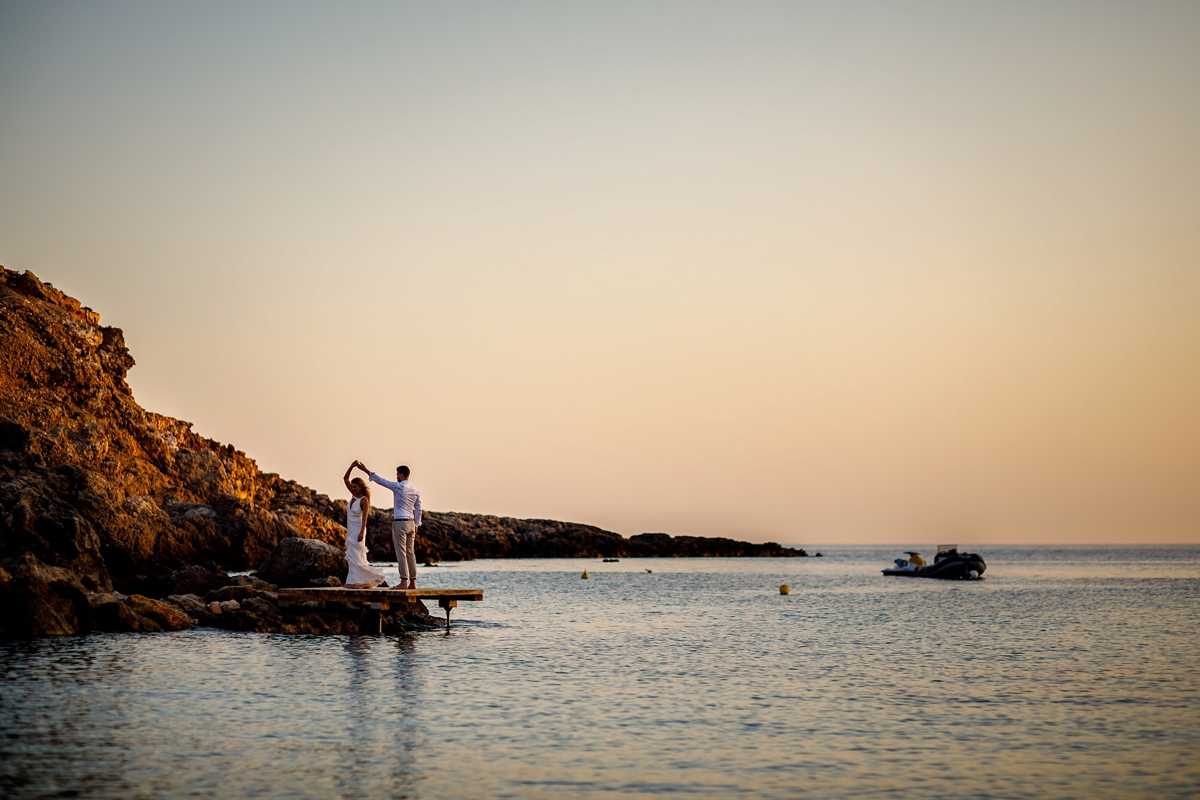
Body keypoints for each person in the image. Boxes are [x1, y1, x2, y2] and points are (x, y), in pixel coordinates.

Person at [352, 460, 421, 590]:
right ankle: (413, 583)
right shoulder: (415, 490)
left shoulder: (398, 487)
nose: (396, 477)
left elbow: (381, 480)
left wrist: (366, 470)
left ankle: (403, 582)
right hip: (411, 523)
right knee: (411, 553)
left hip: (400, 523)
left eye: (397, 475)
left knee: (401, 553)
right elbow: (419, 509)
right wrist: (417, 524)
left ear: (401, 475)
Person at [342, 464, 386, 589]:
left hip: (358, 528)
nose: (353, 488)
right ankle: (356, 581)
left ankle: (355, 583)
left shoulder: (364, 499)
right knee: (351, 554)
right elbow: (345, 479)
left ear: (360, 487)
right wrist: (351, 466)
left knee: (356, 554)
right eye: (352, 487)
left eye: (355, 487)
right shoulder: (353, 495)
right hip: (350, 529)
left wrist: (362, 532)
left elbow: (365, 517)